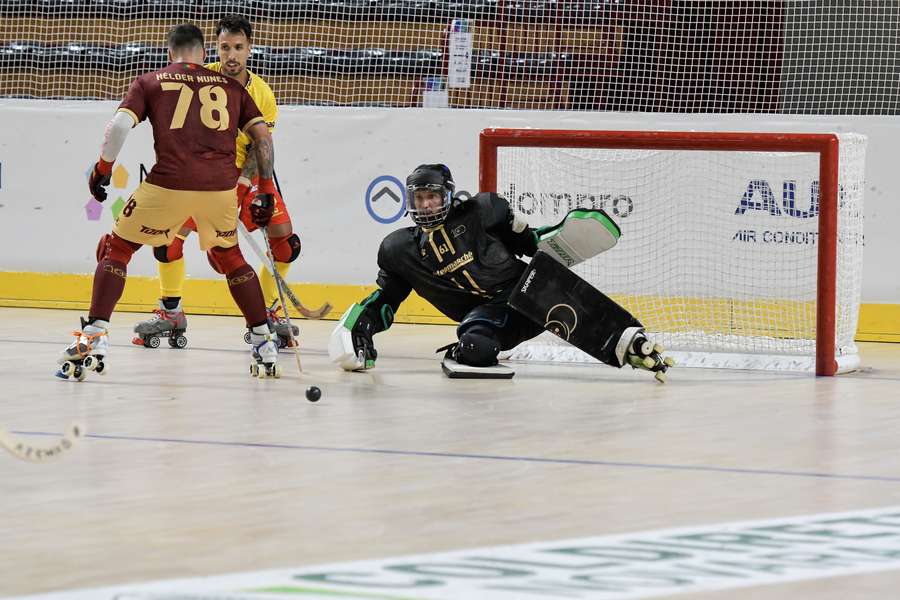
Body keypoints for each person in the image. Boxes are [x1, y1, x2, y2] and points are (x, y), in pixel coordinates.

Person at [57, 23, 282, 380]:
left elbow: (118, 127)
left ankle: (94, 336)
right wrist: (266, 189)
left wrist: (103, 168)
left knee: (117, 248)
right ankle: (263, 341)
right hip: (220, 189)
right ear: (206, 54)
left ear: (168, 53)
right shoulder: (232, 87)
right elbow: (262, 139)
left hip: (168, 184)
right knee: (231, 257)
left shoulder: (150, 81)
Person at [328, 164, 674, 382]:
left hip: (528, 292)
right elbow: (386, 299)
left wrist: (556, 236)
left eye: (432, 196)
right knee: (476, 346)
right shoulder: (398, 249)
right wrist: (360, 327)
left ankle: (633, 343)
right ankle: (464, 349)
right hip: (490, 317)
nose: (425, 204)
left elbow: (530, 243)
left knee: (553, 296)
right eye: (419, 198)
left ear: (448, 195)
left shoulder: (483, 211)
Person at [132, 15, 300, 349]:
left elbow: (260, 148)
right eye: (225, 48)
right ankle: (171, 312)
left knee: (286, 243)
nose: (232, 55)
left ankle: (269, 311)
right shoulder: (198, 77)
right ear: (216, 49)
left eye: (239, 47)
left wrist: (242, 186)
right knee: (166, 242)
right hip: (202, 176)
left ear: (250, 49)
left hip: (246, 176)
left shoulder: (263, 93)